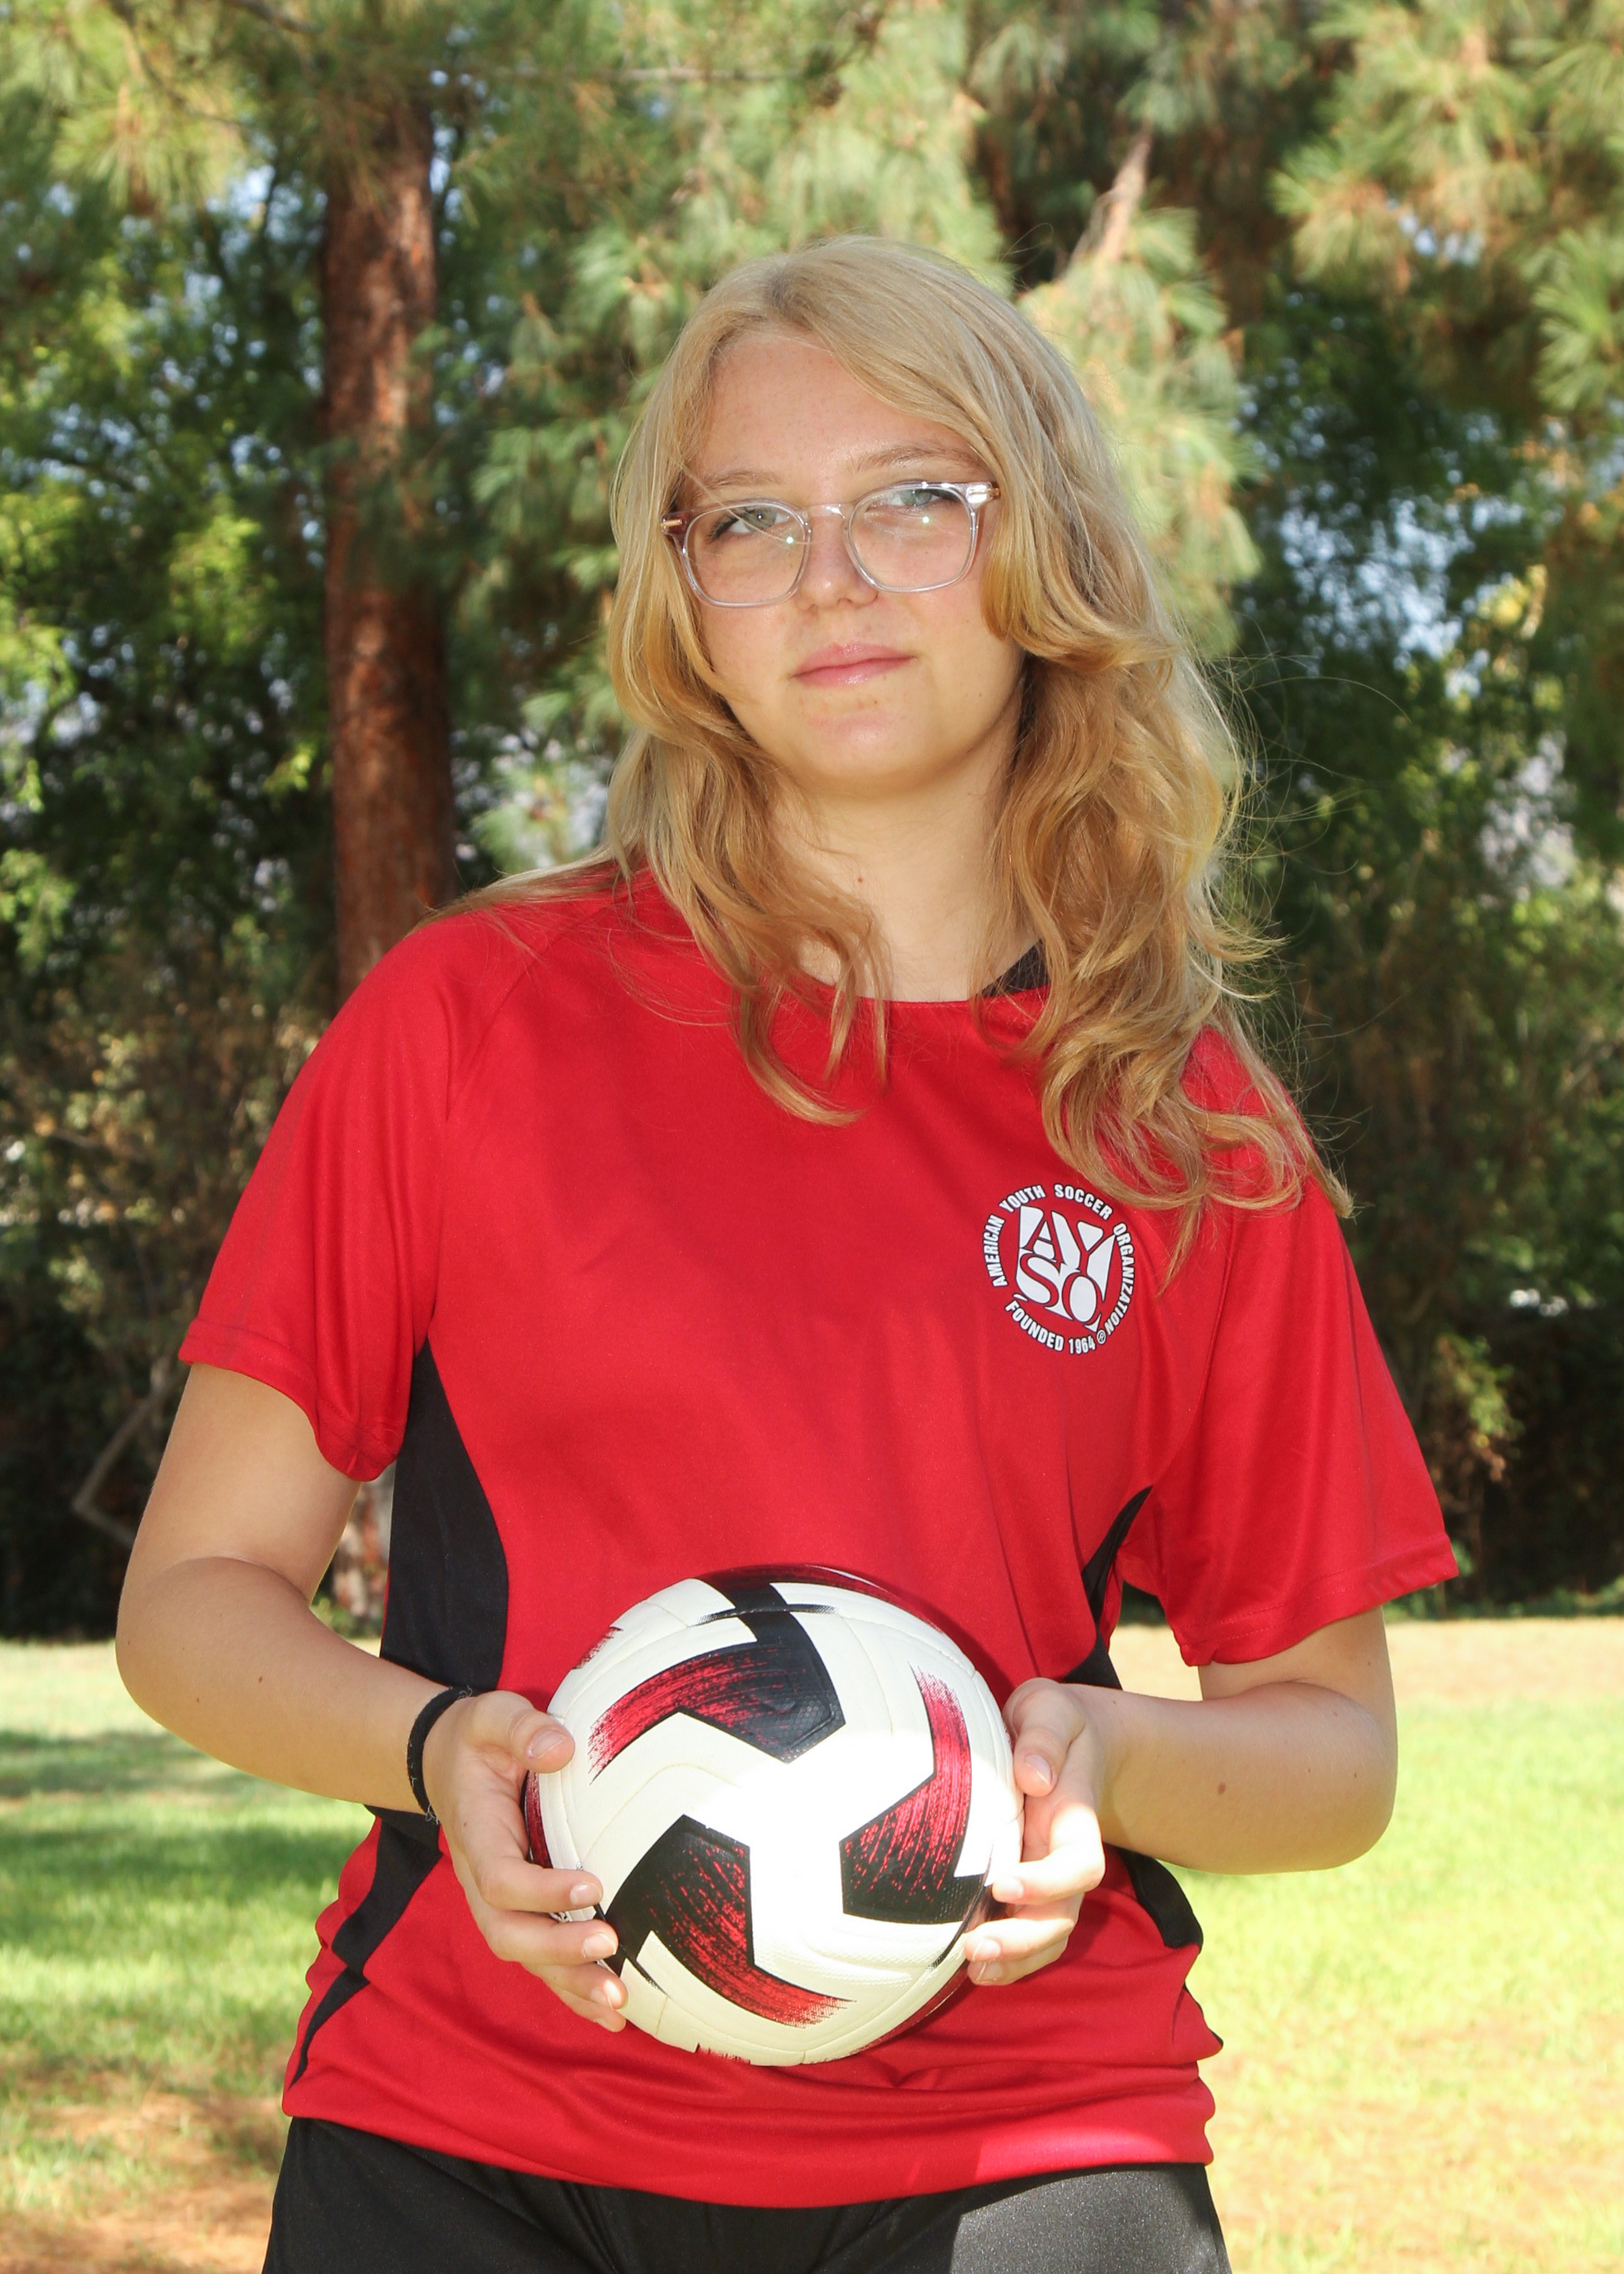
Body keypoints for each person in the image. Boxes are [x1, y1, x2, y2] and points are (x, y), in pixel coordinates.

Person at [117, 236, 1456, 2274]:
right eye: (751, 519)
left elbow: (1331, 1745)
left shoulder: (1187, 1131)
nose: (830, 578)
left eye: (913, 498)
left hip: (1023, 2142)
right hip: (476, 2127)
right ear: (687, 601)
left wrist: (1105, 1754)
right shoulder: (469, 1022)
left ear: (1044, 548)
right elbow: (190, 1598)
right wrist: (431, 1744)